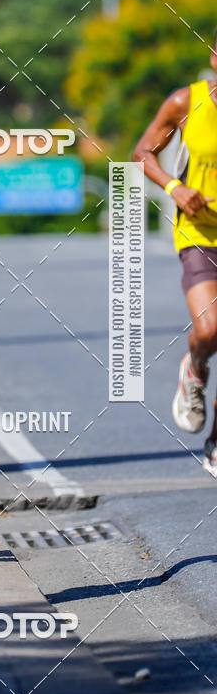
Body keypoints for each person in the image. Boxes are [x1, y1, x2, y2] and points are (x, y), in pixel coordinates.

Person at [133, 29, 217, 478]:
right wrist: (174, 187)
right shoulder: (187, 102)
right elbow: (142, 151)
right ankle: (196, 367)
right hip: (200, 231)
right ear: (214, 58)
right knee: (210, 328)